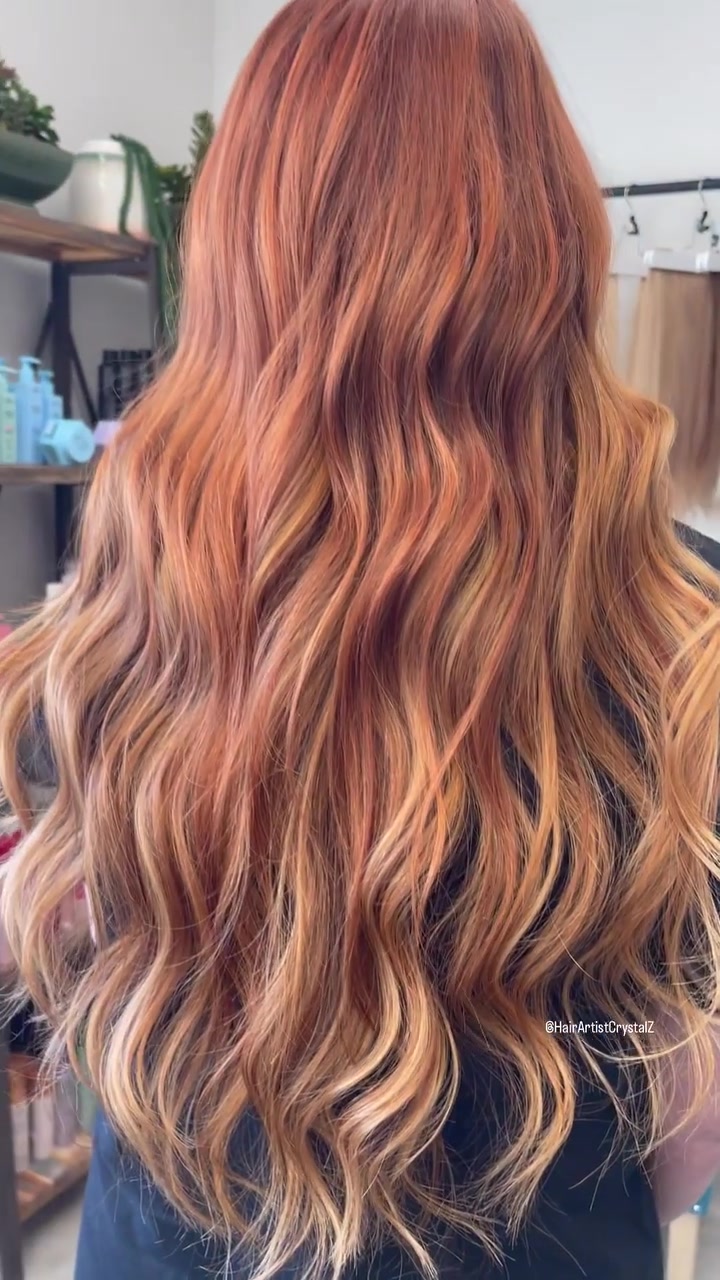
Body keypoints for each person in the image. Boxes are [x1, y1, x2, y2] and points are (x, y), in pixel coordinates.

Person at [1, 0, 720, 1276]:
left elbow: (75, 961)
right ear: (551, 247)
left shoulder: (124, 601)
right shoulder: (683, 626)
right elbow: (689, 1128)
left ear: (238, 253)